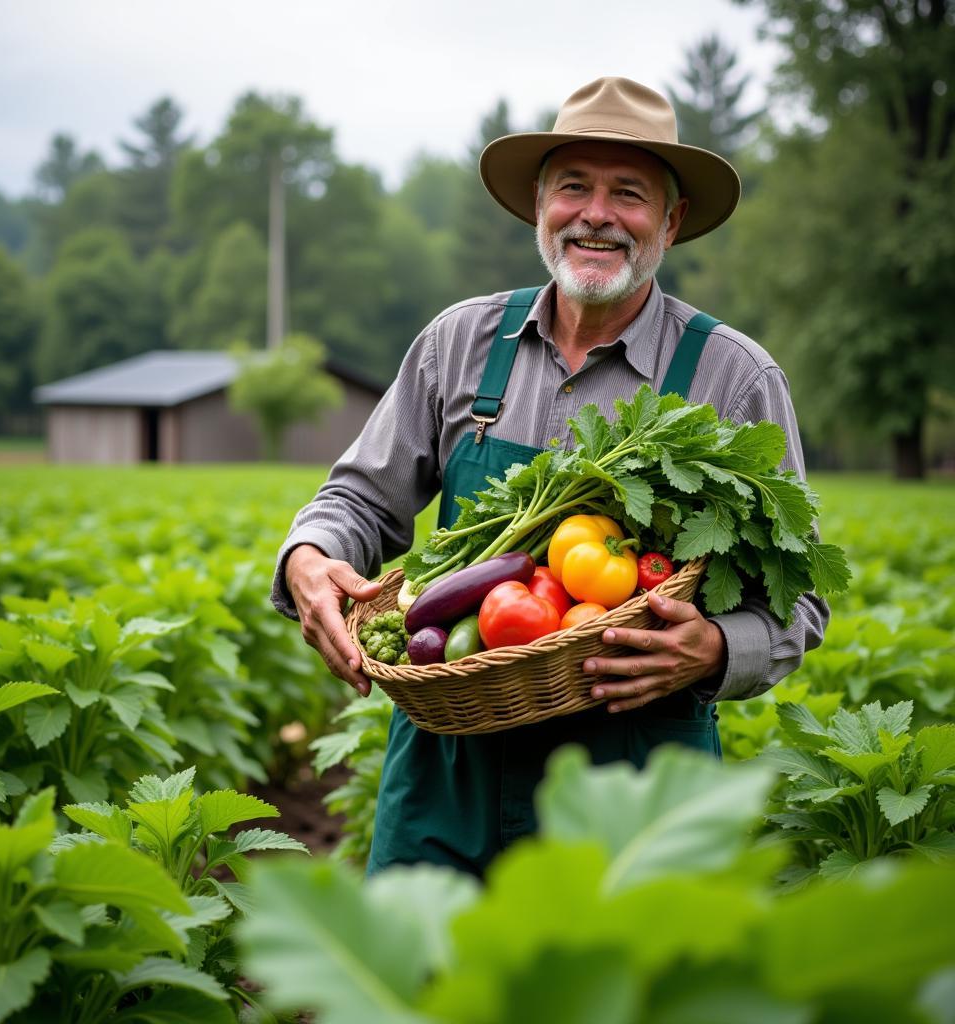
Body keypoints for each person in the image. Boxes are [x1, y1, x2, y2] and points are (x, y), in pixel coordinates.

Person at [272, 77, 829, 877]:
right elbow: (358, 499)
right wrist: (308, 559)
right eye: (574, 187)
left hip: (635, 782)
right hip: (448, 768)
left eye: (628, 193)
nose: (596, 214)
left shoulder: (733, 378)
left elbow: (798, 597)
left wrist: (714, 647)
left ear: (670, 221)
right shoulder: (458, 343)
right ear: (541, 205)